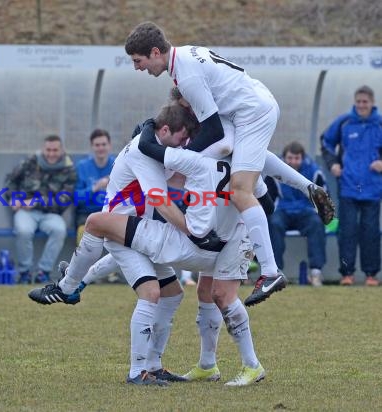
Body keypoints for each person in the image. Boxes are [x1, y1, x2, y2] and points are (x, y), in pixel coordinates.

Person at [31, 104, 266, 386]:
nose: (184, 146)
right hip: (121, 226)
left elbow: (179, 177)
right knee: (150, 290)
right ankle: (135, 370)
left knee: (172, 295)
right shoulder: (143, 152)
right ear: (165, 130)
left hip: (141, 229)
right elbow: (161, 202)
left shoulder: (159, 146)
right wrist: (194, 233)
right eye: (181, 139)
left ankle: (153, 365)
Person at [125, 26, 334, 305]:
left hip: (251, 112)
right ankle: (307, 188)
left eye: (138, 61)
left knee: (239, 190)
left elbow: (213, 133)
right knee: (245, 165)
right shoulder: (186, 54)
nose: (137, 68)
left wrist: (178, 160)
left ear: (154, 52)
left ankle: (270, 271)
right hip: (250, 104)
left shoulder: (185, 75)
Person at [321, 85, 382, 286]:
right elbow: (326, 142)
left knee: (371, 232)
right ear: (354, 102)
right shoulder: (344, 122)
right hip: (348, 186)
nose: (362, 105)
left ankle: (371, 275)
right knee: (347, 232)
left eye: (365, 102)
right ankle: (347, 274)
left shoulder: (379, 123)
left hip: (373, 188)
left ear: (372, 103)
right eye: (359, 102)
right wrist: (333, 164)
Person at [4, 135, 77, 284]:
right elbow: (10, 181)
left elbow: (63, 202)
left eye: (55, 150)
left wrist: (37, 202)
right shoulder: (30, 162)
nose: (51, 153)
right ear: (43, 149)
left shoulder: (69, 169)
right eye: (48, 150)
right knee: (24, 230)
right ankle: (24, 272)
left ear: (61, 150)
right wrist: (13, 198)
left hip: (51, 213)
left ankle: (43, 272)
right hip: (26, 211)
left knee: (59, 230)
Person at [267, 142, 327, 287]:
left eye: (296, 158)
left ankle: (316, 272)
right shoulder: (274, 170)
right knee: (273, 223)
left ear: (302, 158)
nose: (293, 161)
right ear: (284, 157)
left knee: (316, 224)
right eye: (290, 158)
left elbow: (323, 197)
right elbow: (267, 197)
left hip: (305, 211)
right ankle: (275, 273)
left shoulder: (314, 171)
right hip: (282, 210)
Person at [74, 128, 115, 244]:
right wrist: (95, 188)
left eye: (104, 144)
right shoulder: (82, 166)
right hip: (87, 214)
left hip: (111, 213)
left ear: (109, 145)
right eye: (97, 145)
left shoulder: (117, 165)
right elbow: (77, 198)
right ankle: (83, 262)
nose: (101, 148)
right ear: (92, 147)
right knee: (83, 235)